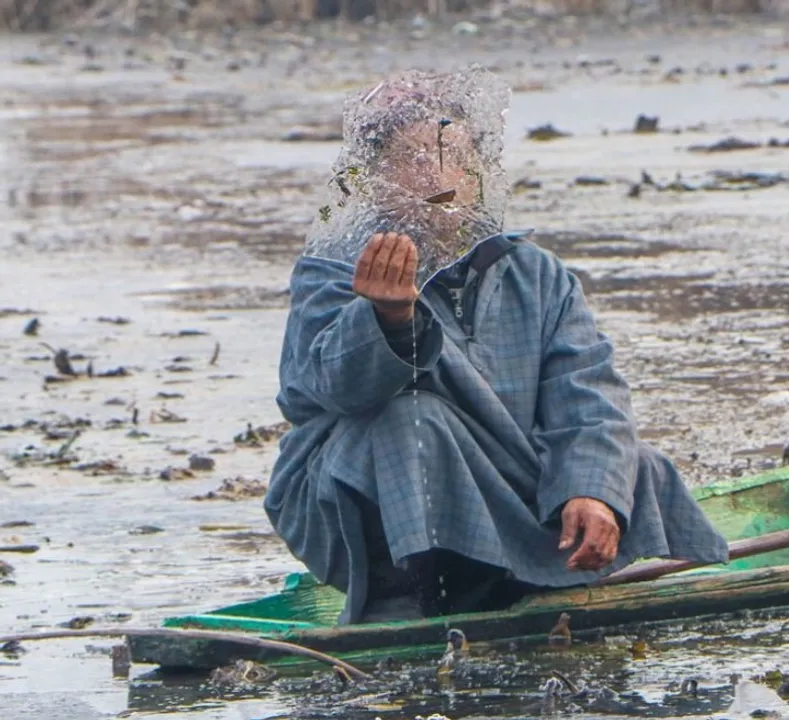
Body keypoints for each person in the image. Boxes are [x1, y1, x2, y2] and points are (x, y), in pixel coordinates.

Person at [264, 69, 729, 624]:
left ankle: (526, 573)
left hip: (502, 482)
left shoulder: (537, 274)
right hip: (357, 495)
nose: (433, 175)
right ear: (378, 177)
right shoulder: (338, 266)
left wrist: (589, 492)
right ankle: (408, 595)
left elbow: (587, 392)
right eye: (410, 159)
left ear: (476, 172)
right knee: (414, 421)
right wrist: (384, 317)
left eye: (450, 156)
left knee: (630, 464)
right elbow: (318, 394)